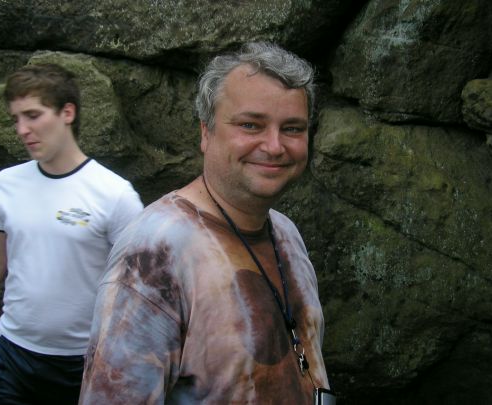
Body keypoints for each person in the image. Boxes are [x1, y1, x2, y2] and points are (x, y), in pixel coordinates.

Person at [80, 42, 331, 404]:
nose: (275, 146)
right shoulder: (156, 250)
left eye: (292, 128)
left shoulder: (285, 233)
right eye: (251, 125)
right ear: (206, 132)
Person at [0, 63, 144, 404]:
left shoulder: (115, 195)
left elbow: (141, 282)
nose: (22, 129)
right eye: (16, 119)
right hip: (12, 356)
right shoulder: (8, 183)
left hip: (82, 363)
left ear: (67, 112)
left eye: (33, 115)